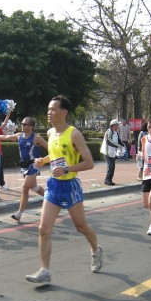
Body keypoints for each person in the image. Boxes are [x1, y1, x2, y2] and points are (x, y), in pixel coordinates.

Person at [26, 95, 102, 283]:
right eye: (48, 109)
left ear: (64, 112)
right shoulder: (51, 133)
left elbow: (89, 163)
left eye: (53, 109)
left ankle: (95, 250)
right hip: (53, 185)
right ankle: (45, 270)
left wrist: (67, 169)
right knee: (44, 228)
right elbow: (55, 156)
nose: (49, 113)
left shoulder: (74, 134)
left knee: (80, 226)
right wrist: (42, 161)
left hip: (70, 186)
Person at [0, 117, 48, 222]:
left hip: (33, 165)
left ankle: (19, 213)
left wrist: (44, 160)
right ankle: (52, 199)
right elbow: (6, 136)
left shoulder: (37, 138)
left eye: (24, 124)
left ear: (30, 126)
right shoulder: (19, 136)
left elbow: (51, 148)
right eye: (22, 124)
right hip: (24, 166)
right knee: (34, 188)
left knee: (25, 188)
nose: (22, 126)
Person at [100, 119, 125, 185]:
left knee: (112, 166)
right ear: (113, 126)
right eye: (117, 125)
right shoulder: (109, 132)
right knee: (110, 166)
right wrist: (118, 146)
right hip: (107, 151)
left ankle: (109, 180)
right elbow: (109, 141)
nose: (118, 126)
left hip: (112, 152)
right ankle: (107, 180)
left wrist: (122, 144)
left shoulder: (116, 132)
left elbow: (118, 140)